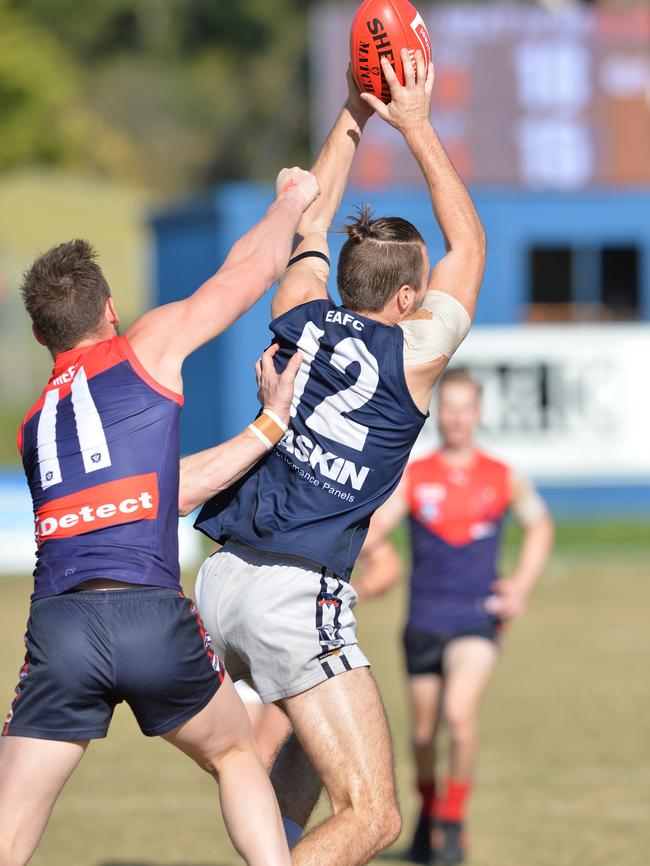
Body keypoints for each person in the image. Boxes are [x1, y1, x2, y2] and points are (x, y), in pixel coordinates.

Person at [192, 53, 486, 866]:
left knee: (301, 758)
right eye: (419, 293)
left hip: (222, 582)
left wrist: (354, 112)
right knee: (376, 817)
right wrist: (416, 123)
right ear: (403, 302)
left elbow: (310, 220)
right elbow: (469, 239)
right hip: (296, 589)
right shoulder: (416, 352)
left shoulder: (298, 311)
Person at [0, 166, 320, 866]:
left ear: (38, 333)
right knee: (237, 754)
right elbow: (249, 271)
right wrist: (293, 200)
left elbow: (154, 492)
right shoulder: (145, 346)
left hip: (61, 628)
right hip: (150, 612)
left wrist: (267, 428)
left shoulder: (32, 426)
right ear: (108, 309)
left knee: (11, 826)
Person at [356, 369, 555, 865]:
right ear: (438, 413)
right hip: (424, 620)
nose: (456, 418)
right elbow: (376, 527)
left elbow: (540, 526)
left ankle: (453, 820)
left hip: (476, 621)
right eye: (449, 408)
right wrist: (372, 555)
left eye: (466, 409)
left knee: (459, 715)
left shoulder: (502, 475)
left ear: (479, 414)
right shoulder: (416, 475)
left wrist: (520, 586)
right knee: (424, 735)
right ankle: (428, 811)